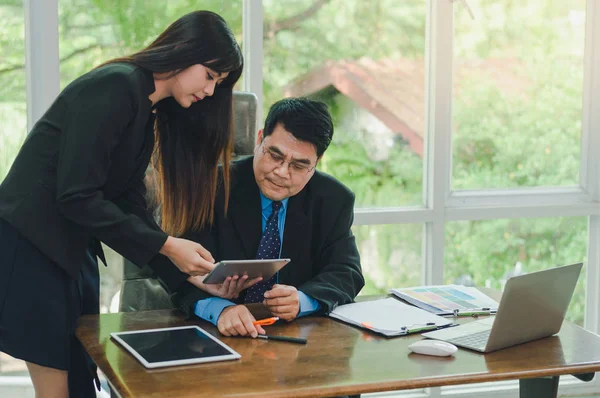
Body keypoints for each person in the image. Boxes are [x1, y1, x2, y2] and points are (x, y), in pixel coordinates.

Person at [0, 10, 252, 398]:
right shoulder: (116, 87)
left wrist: (188, 275)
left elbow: (129, 208)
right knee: (58, 389)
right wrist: (169, 246)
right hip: (31, 249)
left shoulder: (146, 110)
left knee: (83, 381)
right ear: (185, 52)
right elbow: (76, 195)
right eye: (210, 76)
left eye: (218, 83)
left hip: (69, 251)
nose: (210, 91)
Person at [157, 97, 365, 338]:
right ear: (259, 140)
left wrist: (303, 300)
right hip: (207, 337)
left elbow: (347, 271)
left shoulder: (333, 199)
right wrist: (220, 310)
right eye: (275, 155)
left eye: (298, 165)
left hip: (292, 339)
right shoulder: (210, 188)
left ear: (316, 164)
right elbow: (173, 267)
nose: (281, 172)